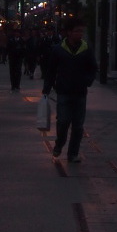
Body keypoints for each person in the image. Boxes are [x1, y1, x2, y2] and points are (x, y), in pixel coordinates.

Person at [42, 18, 97, 163]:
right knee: (63, 121)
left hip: (80, 92)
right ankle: (59, 144)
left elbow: (93, 68)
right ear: (69, 32)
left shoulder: (86, 49)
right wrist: (47, 88)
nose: (80, 34)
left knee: (78, 126)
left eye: (81, 31)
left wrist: (87, 81)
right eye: (77, 31)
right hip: (64, 91)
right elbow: (51, 70)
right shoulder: (58, 49)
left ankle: (73, 153)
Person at [6, 22, 26, 91]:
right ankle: (13, 85)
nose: (17, 34)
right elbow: (8, 48)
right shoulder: (10, 40)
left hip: (19, 58)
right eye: (16, 33)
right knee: (12, 72)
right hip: (12, 58)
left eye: (18, 33)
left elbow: (24, 49)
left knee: (18, 72)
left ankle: (17, 85)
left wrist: (22, 56)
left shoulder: (21, 41)